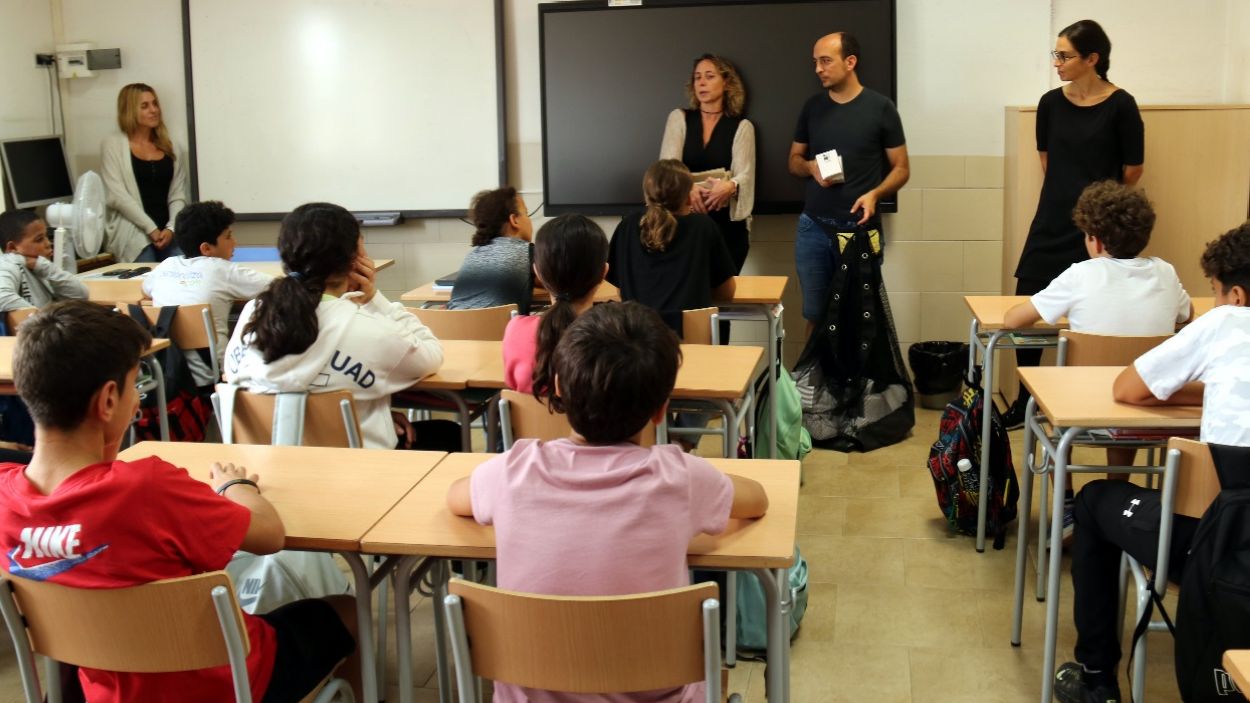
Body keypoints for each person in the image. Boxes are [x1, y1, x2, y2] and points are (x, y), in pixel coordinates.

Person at [0, 300, 360, 702]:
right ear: (106, 401)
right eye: (135, 386)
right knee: (348, 608)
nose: (138, 400)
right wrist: (238, 486)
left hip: (99, 688)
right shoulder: (146, 488)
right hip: (224, 684)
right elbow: (270, 536)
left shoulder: (4, 500)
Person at [446, 301, 769, 703]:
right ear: (660, 409)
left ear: (559, 387)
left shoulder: (513, 471)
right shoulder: (681, 478)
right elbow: (756, 500)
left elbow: (456, 497)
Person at [1053, 222, 1250, 703]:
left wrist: (1204, 385)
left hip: (1216, 544)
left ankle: (1098, 679)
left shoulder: (1226, 323)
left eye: (1216, 294)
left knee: (1095, 498)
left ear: (1237, 295)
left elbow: (1127, 389)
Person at [1005, 181, 1190, 492]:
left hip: (1081, 405)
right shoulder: (1165, 273)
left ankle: (1065, 501)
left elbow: (1013, 320)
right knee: (1123, 395)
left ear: (1097, 242)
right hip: (1142, 401)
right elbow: (1187, 315)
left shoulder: (1080, 274)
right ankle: (1115, 491)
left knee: (1044, 408)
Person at [224, 202, 451, 451]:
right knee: (447, 434)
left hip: (267, 472)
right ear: (355, 259)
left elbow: (285, 396)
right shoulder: (367, 329)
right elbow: (431, 356)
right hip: (359, 475)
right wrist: (375, 300)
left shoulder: (253, 314)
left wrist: (377, 415)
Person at [1006, 19, 1145, 428]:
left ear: (1092, 59)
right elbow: (1047, 160)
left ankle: (1082, 400)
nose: (1057, 63)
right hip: (1052, 216)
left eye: (1064, 55)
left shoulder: (1122, 105)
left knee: (1098, 309)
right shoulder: (1050, 103)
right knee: (1028, 298)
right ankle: (1023, 399)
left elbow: (1132, 170)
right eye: (1057, 54)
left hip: (1101, 226)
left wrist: (1099, 207)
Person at [788, 31, 909, 338]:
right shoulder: (812, 107)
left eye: (825, 61)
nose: (818, 69)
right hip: (813, 228)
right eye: (815, 62)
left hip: (858, 231)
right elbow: (793, 160)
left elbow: (902, 169)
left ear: (850, 62)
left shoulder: (881, 108)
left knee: (859, 316)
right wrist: (809, 166)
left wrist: (876, 194)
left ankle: (856, 385)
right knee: (815, 315)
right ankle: (815, 385)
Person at [143, 200, 273, 388]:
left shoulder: (166, 266)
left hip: (171, 374)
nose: (235, 242)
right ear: (206, 249)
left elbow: (144, 288)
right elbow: (277, 287)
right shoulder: (222, 270)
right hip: (216, 375)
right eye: (228, 237)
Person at [607, 159, 736, 335]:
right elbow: (727, 293)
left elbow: (620, 289)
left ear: (647, 196)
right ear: (690, 197)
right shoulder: (704, 227)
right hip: (692, 341)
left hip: (636, 340)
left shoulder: (627, 226)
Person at [658, 53, 755, 286]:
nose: (701, 82)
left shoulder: (742, 126)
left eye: (709, 76)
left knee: (721, 304)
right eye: (697, 77)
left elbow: (746, 174)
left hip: (727, 229)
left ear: (727, 82)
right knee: (688, 296)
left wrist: (729, 187)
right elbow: (666, 167)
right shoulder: (679, 118)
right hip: (684, 224)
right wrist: (686, 187)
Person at [502, 213, 608, 395]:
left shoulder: (515, 332)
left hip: (531, 424)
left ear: (538, 272)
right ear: (603, 273)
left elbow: (512, 386)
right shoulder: (619, 340)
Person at [100, 83, 189, 263]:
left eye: (155, 104)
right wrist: (151, 229)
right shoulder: (113, 145)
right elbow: (117, 195)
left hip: (169, 231)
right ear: (129, 110)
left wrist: (171, 228)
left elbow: (178, 193)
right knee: (144, 280)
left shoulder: (170, 145)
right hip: (134, 233)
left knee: (184, 273)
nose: (154, 110)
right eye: (145, 106)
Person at [448, 187, 535, 314]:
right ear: (514, 220)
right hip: (500, 332)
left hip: (451, 330)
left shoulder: (472, 255)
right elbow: (555, 281)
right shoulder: (526, 251)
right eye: (526, 214)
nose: (529, 220)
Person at [0, 209, 87, 313]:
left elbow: (81, 295)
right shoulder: (8, 263)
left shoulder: (41, 266)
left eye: (46, 236)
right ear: (12, 248)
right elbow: (2, 297)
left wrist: (44, 267)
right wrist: (39, 319)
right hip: (38, 327)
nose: (48, 243)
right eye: (39, 239)